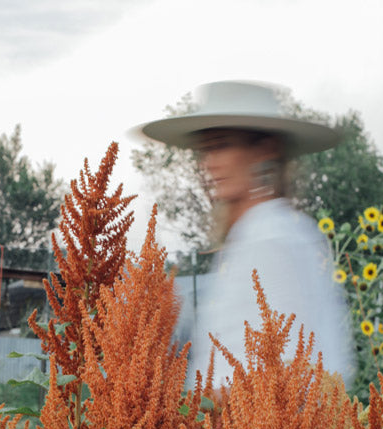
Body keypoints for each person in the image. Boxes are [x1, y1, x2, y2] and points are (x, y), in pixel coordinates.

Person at [134, 80, 355, 388]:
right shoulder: (260, 233)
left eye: (221, 145)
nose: (208, 164)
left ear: (265, 150)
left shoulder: (271, 238)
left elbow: (291, 381)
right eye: (204, 150)